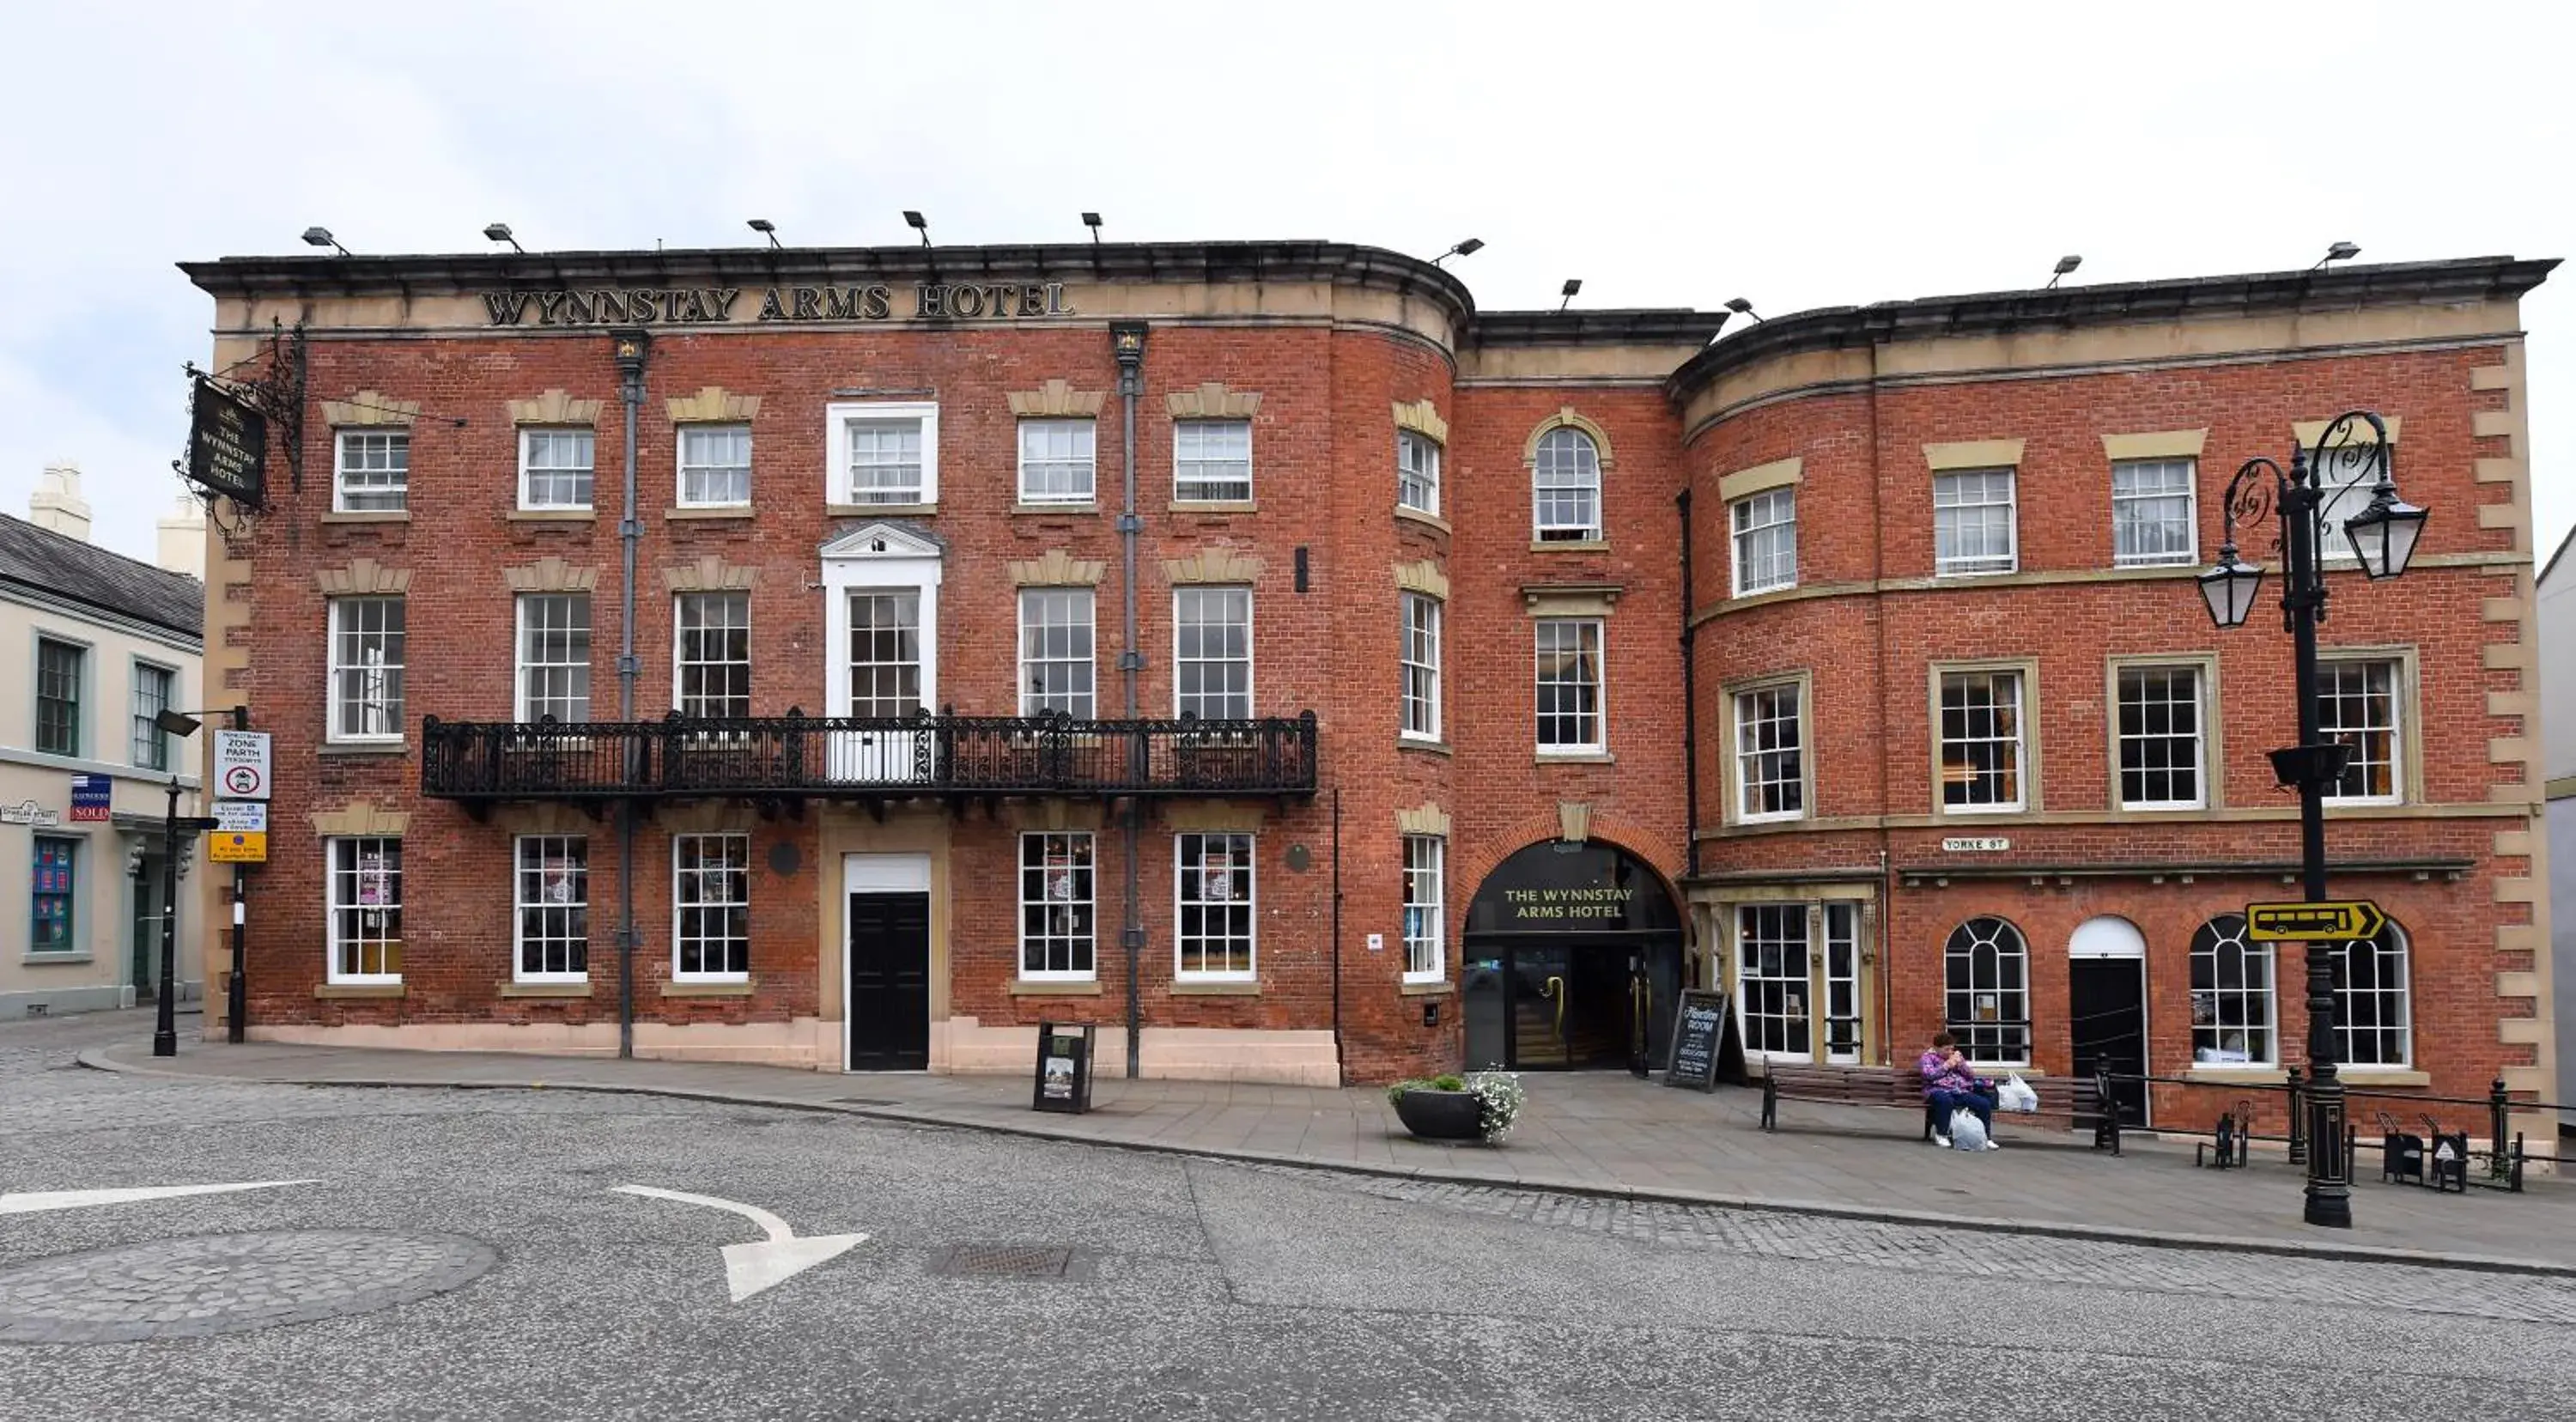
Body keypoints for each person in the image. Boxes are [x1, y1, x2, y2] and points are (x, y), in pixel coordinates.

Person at [1918, 1031, 2000, 1150]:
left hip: (1959, 1090)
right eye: (1946, 1049)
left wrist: (1961, 1064)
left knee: (1983, 1104)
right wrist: (1946, 1066)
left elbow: (1970, 1075)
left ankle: (1986, 1137)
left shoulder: (1956, 1057)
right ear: (1937, 1048)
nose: (1950, 1052)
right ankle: (1942, 1134)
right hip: (1937, 1090)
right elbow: (1928, 1075)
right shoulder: (1927, 1058)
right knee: (1945, 1101)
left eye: (1952, 1049)